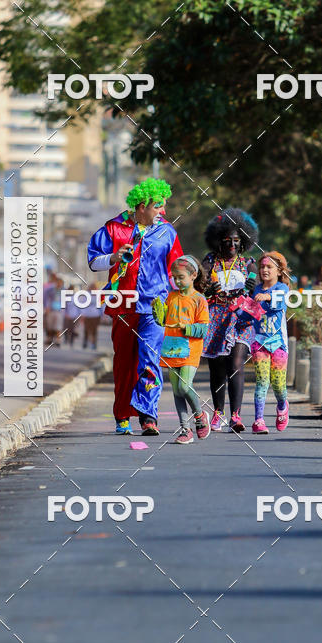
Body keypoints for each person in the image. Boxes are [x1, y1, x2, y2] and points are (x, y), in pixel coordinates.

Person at [87, 178, 182, 436]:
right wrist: (115, 257)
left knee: (150, 359)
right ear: (142, 206)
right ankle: (122, 415)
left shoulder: (167, 232)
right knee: (125, 362)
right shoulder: (114, 229)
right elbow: (94, 262)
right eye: (157, 206)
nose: (162, 211)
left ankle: (149, 416)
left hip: (154, 306)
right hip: (124, 304)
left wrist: (186, 286)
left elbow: (175, 270)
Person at [201, 208, 259, 433]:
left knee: (236, 364)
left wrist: (251, 288)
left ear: (243, 242)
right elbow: (200, 281)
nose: (232, 245)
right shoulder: (210, 262)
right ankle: (218, 413)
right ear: (219, 241)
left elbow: (256, 284)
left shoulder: (249, 264)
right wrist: (207, 286)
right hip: (215, 320)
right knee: (217, 369)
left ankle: (235, 416)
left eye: (236, 241)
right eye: (227, 241)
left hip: (241, 321)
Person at [152, 255, 210, 444]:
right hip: (170, 349)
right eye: (174, 277)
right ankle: (185, 429)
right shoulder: (170, 297)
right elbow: (162, 321)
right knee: (177, 391)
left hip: (190, 350)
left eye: (181, 277)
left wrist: (186, 327)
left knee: (185, 386)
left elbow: (203, 329)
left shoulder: (199, 300)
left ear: (193, 275)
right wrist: (157, 311)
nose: (177, 281)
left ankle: (200, 416)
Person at [248, 251, 291, 434]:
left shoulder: (283, 288)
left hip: (279, 343)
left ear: (279, 270)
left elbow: (279, 304)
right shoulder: (256, 289)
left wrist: (267, 297)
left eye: (269, 267)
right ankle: (258, 420)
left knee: (278, 384)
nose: (264, 270)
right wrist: (240, 308)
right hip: (259, 342)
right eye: (262, 266)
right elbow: (250, 313)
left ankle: (282, 406)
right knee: (262, 381)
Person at [81, 283, 102, 349]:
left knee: (94, 330)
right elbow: (82, 305)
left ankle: (94, 343)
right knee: (86, 330)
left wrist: (103, 315)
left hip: (96, 315)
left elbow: (102, 306)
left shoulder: (98, 295)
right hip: (87, 315)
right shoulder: (86, 295)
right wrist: (83, 314)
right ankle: (85, 342)